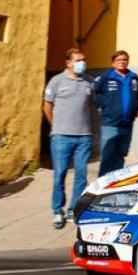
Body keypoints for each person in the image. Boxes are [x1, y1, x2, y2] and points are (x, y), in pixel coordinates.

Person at [43, 48, 94, 229]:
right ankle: (58, 211)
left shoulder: (89, 82)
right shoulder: (56, 81)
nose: (82, 63)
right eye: (78, 60)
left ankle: (74, 210)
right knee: (60, 175)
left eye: (84, 59)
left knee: (81, 175)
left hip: (84, 137)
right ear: (68, 63)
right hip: (61, 137)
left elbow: (89, 105)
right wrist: (56, 127)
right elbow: (47, 106)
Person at [93, 50, 138, 176]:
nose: (122, 62)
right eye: (119, 60)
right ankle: (102, 186)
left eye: (124, 60)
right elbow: (95, 92)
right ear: (113, 63)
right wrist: (100, 106)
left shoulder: (134, 77)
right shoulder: (106, 77)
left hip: (127, 124)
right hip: (110, 124)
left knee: (121, 156)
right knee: (107, 157)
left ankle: (116, 183)